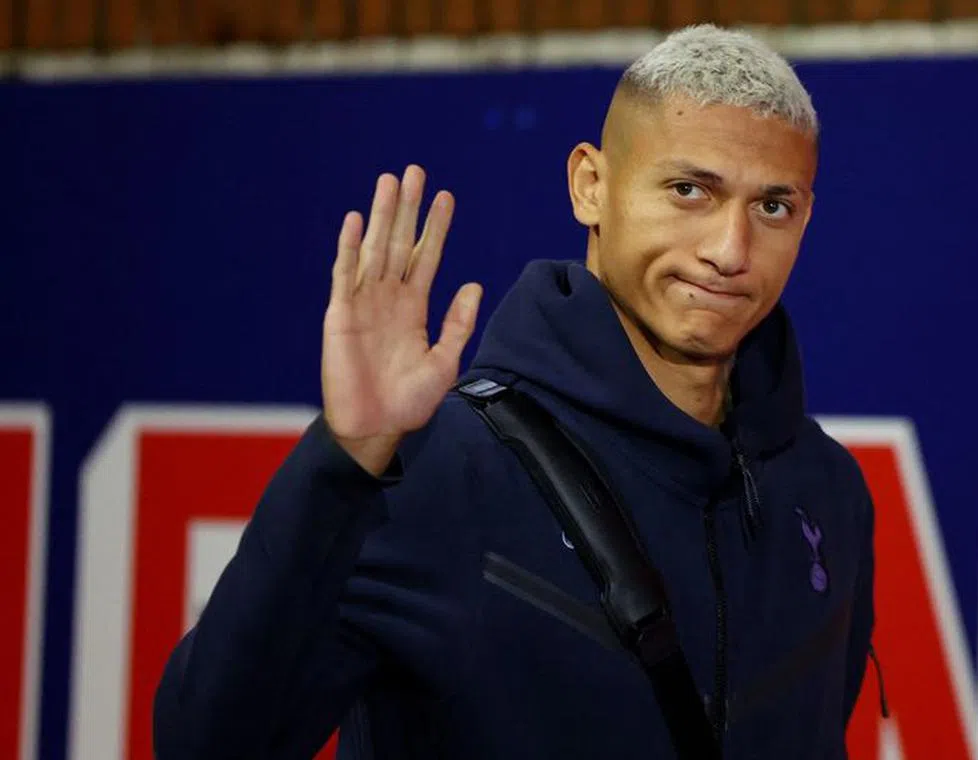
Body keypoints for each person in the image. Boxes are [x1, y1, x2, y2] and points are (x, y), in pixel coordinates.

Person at [154, 23, 877, 760]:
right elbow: (209, 744)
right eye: (689, 190)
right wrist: (342, 462)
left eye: (773, 207)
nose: (730, 250)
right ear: (591, 186)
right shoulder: (437, 468)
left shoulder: (826, 492)